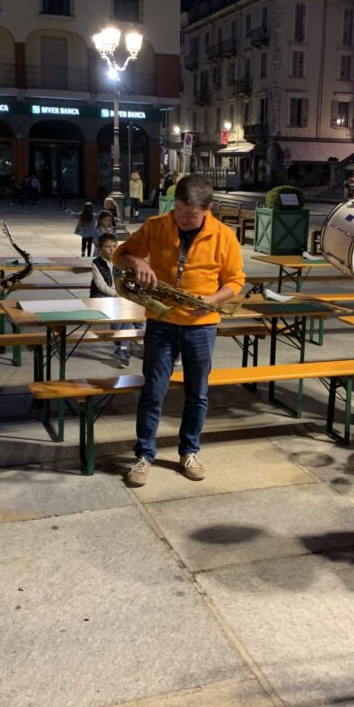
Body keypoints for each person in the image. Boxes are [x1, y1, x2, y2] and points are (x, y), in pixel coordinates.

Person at [115, 174, 245, 487]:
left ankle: (189, 451)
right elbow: (120, 255)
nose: (184, 219)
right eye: (179, 211)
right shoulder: (157, 225)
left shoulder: (224, 235)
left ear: (208, 209)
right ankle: (144, 455)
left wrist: (212, 299)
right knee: (153, 391)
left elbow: (236, 281)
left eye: (192, 215)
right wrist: (137, 263)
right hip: (162, 322)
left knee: (197, 394)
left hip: (201, 325)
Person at [92, 232, 140, 368]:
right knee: (119, 316)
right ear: (100, 248)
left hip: (119, 297)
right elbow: (101, 285)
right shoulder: (96, 263)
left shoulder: (121, 262)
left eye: (114, 246)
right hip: (102, 297)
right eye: (108, 247)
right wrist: (116, 294)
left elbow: (127, 280)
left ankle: (122, 348)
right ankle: (122, 344)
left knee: (127, 314)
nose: (112, 250)